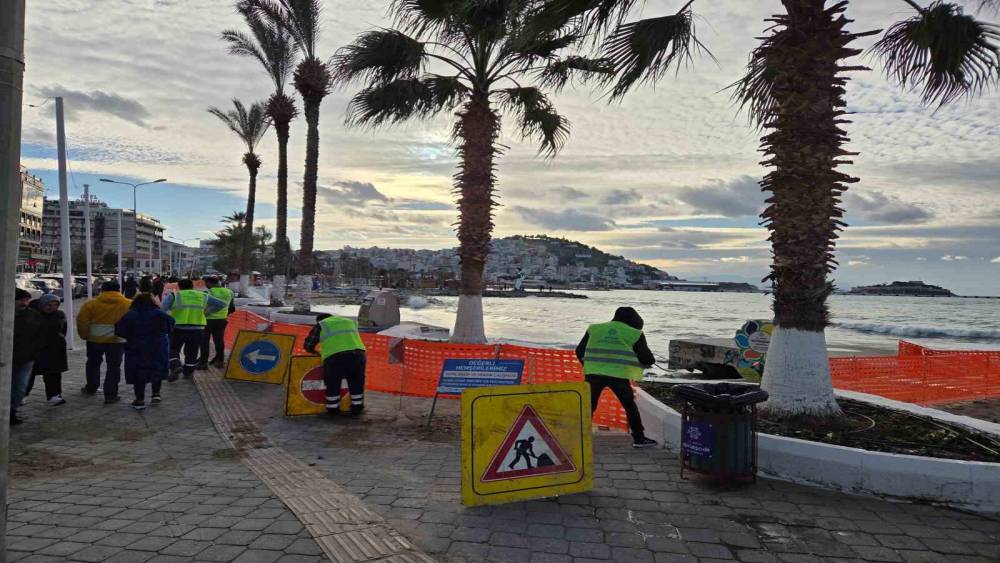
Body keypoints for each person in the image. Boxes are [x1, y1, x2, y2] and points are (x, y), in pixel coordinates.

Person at [576, 307, 658, 448]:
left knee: (588, 406)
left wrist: (588, 365)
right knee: (629, 406)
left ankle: (580, 439)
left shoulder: (594, 329)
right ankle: (639, 439)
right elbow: (647, 359)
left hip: (593, 374)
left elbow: (579, 351)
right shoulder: (635, 333)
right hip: (618, 376)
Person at [116, 293, 175, 410]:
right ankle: (156, 394)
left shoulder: (130, 314)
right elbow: (171, 324)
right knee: (156, 368)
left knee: (138, 371)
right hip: (158, 346)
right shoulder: (160, 314)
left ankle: (139, 400)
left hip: (136, 347)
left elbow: (119, 330)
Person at [77, 280, 132, 403]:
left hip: (94, 339)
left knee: (93, 363)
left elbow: (82, 321)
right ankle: (111, 395)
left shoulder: (90, 304)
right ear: (119, 289)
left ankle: (91, 387)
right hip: (118, 340)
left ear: (102, 290)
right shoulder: (128, 303)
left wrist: (84, 335)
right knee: (114, 367)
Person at [304, 313, 367, 416]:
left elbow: (309, 345)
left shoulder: (322, 324)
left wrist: (314, 352)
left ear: (320, 320)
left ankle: (333, 410)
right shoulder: (350, 322)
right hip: (358, 355)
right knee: (356, 382)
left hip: (335, 357)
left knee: (333, 383)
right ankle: (357, 408)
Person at [162, 279, 226, 379]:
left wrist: (168, 319)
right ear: (192, 286)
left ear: (179, 286)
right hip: (197, 328)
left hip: (178, 327)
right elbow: (222, 304)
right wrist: (207, 312)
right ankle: (188, 373)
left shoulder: (174, 295)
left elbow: (162, 310)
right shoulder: (203, 295)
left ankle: (175, 365)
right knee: (192, 351)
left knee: (173, 348)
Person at [27, 294, 69, 407]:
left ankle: (54, 395)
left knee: (53, 373)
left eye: (55, 305)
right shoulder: (33, 314)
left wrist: (59, 339)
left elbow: (63, 330)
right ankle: (22, 395)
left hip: (55, 349)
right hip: (36, 349)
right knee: (29, 374)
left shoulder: (60, 314)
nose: (52, 307)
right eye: (49, 305)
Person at [11, 289, 42, 425]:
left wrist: (35, 351)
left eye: (26, 300)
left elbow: (41, 334)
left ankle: (12, 411)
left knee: (20, 386)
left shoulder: (33, 315)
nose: (24, 303)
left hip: (26, 358)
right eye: (20, 300)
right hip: (7, 357)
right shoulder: (6, 313)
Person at [197, 276, 235, 370]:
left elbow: (203, 305)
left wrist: (205, 313)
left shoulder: (209, 292)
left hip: (207, 320)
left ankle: (203, 362)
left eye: (206, 283)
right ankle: (220, 360)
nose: (206, 285)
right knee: (219, 340)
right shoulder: (230, 292)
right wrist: (224, 314)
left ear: (210, 283)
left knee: (204, 341)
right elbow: (232, 308)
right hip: (222, 320)